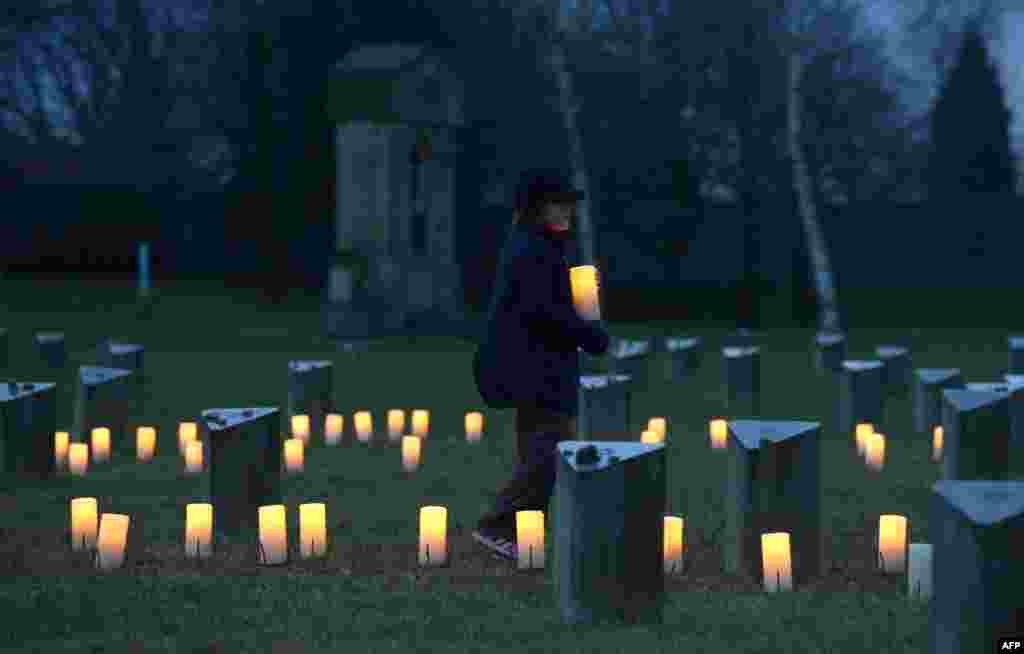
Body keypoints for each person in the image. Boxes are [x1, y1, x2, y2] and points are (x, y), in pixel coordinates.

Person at [471, 169, 610, 561]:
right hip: (536, 370)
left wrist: (584, 306)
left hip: (543, 368)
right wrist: (588, 331)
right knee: (546, 454)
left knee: (540, 451)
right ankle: (497, 525)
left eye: (568, 203)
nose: (566, 210)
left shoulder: (543, 245)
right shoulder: (532, 248)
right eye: (557, 202)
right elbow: (542, 311)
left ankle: (521, 539)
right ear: (534, 207)